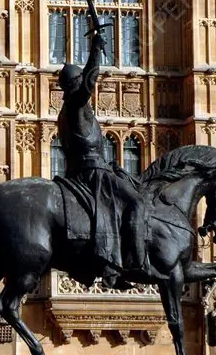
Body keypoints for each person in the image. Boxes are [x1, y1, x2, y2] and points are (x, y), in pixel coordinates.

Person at [56, 25, 149, 286]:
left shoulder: (68, 111)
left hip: (85, 170)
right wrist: (95, 50)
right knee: (137, 204)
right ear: (73, 85)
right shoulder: (74, 105)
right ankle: (136, 266)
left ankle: (113, 263)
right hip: (92, 172)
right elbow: (89, 83)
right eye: (78, 82)